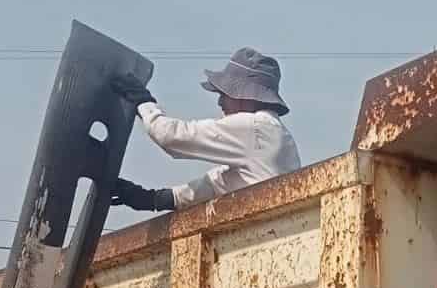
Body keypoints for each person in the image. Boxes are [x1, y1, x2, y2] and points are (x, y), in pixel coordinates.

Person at [107, 47, 301, 212]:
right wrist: (157, 199)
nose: (220, 101)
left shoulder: (253, 127)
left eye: (224, 94)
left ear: (244, 95)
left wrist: (143, 102)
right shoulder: (278, 135)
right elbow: (220, 182)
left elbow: (170, 136)